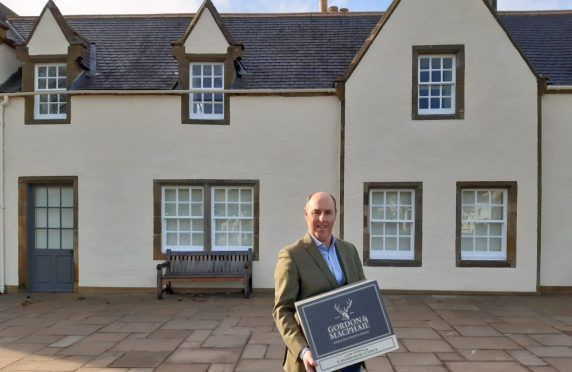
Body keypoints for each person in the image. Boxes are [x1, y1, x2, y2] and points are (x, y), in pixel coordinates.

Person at [273, 192, 366, 372]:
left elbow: (361, 295)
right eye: (316, 212)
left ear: (335, 216)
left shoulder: (349, 250)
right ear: (306, 214)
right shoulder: (291, 255)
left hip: (350, 356)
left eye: (328, 212)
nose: (322, 219)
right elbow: (282, 310)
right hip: (314, 360)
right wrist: (304, 351)